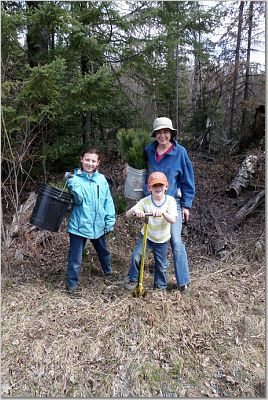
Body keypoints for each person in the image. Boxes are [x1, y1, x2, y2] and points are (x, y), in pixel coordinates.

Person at [145, 117, 195, 292]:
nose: (162, 135)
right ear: (155, 135)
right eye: (159, 132)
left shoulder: (180, 152)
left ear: (171, 133)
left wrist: (186, 205)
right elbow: (143, 172)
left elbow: (188, 180)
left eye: (166, 132)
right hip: (153, 203)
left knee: (175, 240)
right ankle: (156, 281)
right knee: (151, 239)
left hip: (173, 203)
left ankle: (183, 282)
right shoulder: (149, 151)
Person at [65, 148, 116, 297]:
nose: (90, 163)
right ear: (81, 159)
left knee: (104, 252)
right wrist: (72, 184)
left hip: (98, 225)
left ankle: (108, 272)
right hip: (79, 225)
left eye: (93, 160)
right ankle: (72, 285)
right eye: (87, 159)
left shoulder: (101, 180)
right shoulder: (75, 179)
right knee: (75, 258)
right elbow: (79, 200)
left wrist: (109, 221)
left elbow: (108, 201)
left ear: (98, 162)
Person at [124, 171, 177, 291]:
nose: (158, 188)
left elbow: (173, 219)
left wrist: (163, 213)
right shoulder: (145, 201)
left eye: (161, 185)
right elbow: (127, 214)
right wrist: (136, 211)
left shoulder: (170, 201)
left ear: (166, 187)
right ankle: (133, 279)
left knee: (161, 265)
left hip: (162, 239)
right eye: (154, 185)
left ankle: (160, 287)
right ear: (149, 188)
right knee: (137, 256)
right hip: (147, 236)